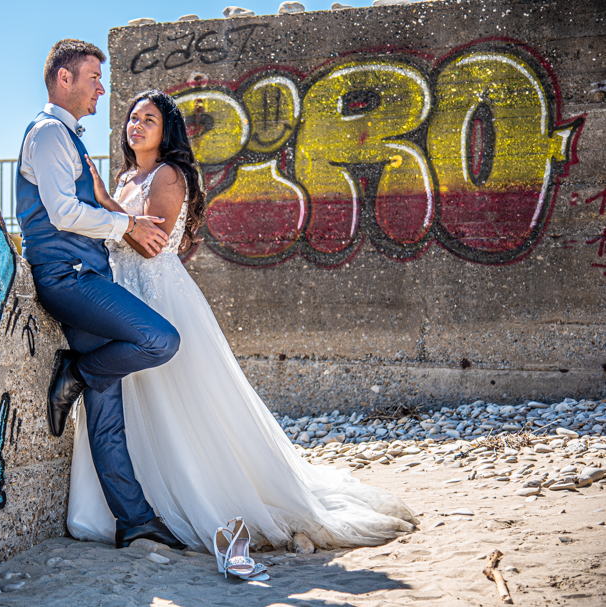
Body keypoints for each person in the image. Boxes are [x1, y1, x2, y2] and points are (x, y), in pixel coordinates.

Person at [67, 89, 418, 555]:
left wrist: (103, 202)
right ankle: (137, 505)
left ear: (165, 129)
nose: (136, 126)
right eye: (132, 118)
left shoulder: (168, 175)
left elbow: (148, 242)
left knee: (177, 403)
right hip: (123, 294)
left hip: (158, 296)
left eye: (148, 119)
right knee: (131, 403)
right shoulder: (128, 176)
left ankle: (192, 501)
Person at [15, 41, 186, 549]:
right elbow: (63, 213)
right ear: (64, 80)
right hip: (68, 278)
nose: (101, 88)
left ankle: (133, 519)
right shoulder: (48, 135)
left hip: (87, 275)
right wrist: (124, 222)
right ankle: (76, 371)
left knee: (106, 409)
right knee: (161, 340)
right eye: (93, 77)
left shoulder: (69, 138)